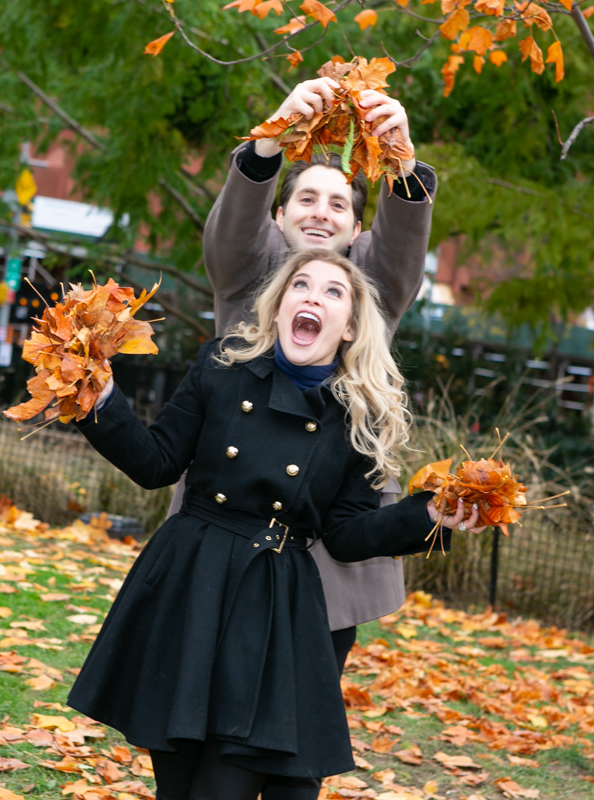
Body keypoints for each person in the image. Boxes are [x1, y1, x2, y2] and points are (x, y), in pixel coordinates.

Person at [67, 249, 479, 799]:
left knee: (228, 783)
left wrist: (427, 516)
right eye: (300, 285)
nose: (312, 297)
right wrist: (101, 397)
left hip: (272, 600)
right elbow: (156, 463)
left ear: (350, 327)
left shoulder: (360, 414)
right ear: (279, 305)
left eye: (333, 292)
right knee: (177, 786)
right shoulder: (221, 366)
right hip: (191, 580)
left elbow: (346, 535)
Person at [200, 78, 439, 682]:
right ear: (278, 216)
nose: (320, 212)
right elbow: (233, 229)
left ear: (358, 231)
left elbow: (402, 247)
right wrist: (273, 138)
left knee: (300, 705)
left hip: (327, 546)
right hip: (227, 522)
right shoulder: (249, 271)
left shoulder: (371, 287)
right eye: (306, 198)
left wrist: (400, 158)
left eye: (338, 204)